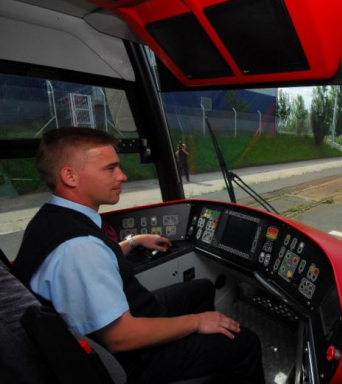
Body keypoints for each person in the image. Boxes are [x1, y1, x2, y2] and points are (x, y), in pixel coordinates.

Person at [11, 127, 264, 384]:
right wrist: (197, 322)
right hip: (131, 358)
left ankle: (204, 356)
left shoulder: (53, 219)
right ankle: (205, 353)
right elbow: (120, 337)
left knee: (201, 289)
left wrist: (133, 241)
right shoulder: (79, 249)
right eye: (110, 169)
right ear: (70, 176)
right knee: (245, 344)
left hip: (132, 313)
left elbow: (97, 260)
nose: (122, 176)